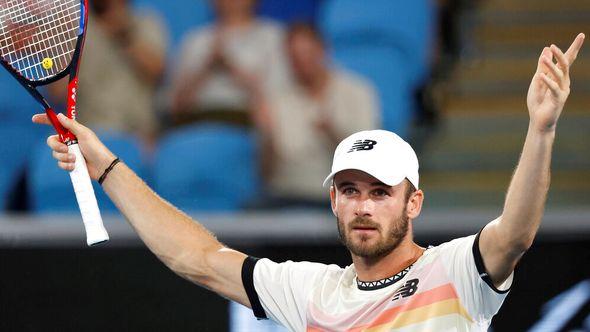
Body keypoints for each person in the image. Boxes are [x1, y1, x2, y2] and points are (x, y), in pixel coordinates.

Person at [33, 34, 584, 330]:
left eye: (379, 191)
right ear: (333, 201)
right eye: (349, 190)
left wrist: (541, 128)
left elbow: (513, 235)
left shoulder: (457, 271)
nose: (363, 206)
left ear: (414, 203)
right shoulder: (310, 291)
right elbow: (195, 257)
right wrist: (106, 166)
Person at [256, 23, 380, 206]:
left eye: (307, 54)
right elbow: (266, 175)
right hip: (287, 196)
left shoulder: (358, 92)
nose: (302, 63)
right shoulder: (276, 101)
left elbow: (369, 160)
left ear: (323, 50)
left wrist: (332, 133)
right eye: (294, 58)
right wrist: (267, 138)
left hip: (343, 196)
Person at [47, 0, 168, 145]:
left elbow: (157, 72)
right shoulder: (76, 29)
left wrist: (124, 34)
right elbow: (58, 94)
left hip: (139, 135)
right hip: (89, 135)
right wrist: (65, 43)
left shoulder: (145, 21)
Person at [170, 0, 288, 126]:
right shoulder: (195, 40)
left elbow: (279, 99)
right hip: (197, 123)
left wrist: (231, 66)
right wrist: (207, 65)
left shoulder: (273, 37)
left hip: (247, 122)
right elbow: (175, 106)